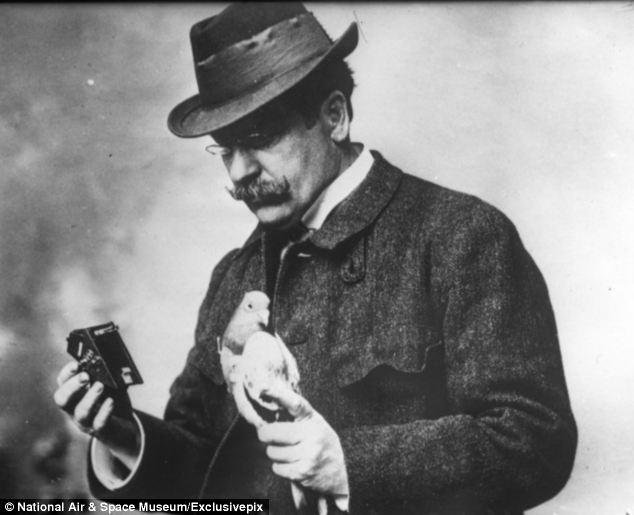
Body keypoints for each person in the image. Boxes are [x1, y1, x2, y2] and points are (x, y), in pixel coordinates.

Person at [53, 3, 577, 513]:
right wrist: (122, 435)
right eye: (225, 148)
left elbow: (536, 440)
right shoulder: (232, 276)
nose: (237, 174)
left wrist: (353, 465)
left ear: (335, 116)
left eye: (258, 138)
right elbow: (204, 477)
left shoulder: (461, 236)